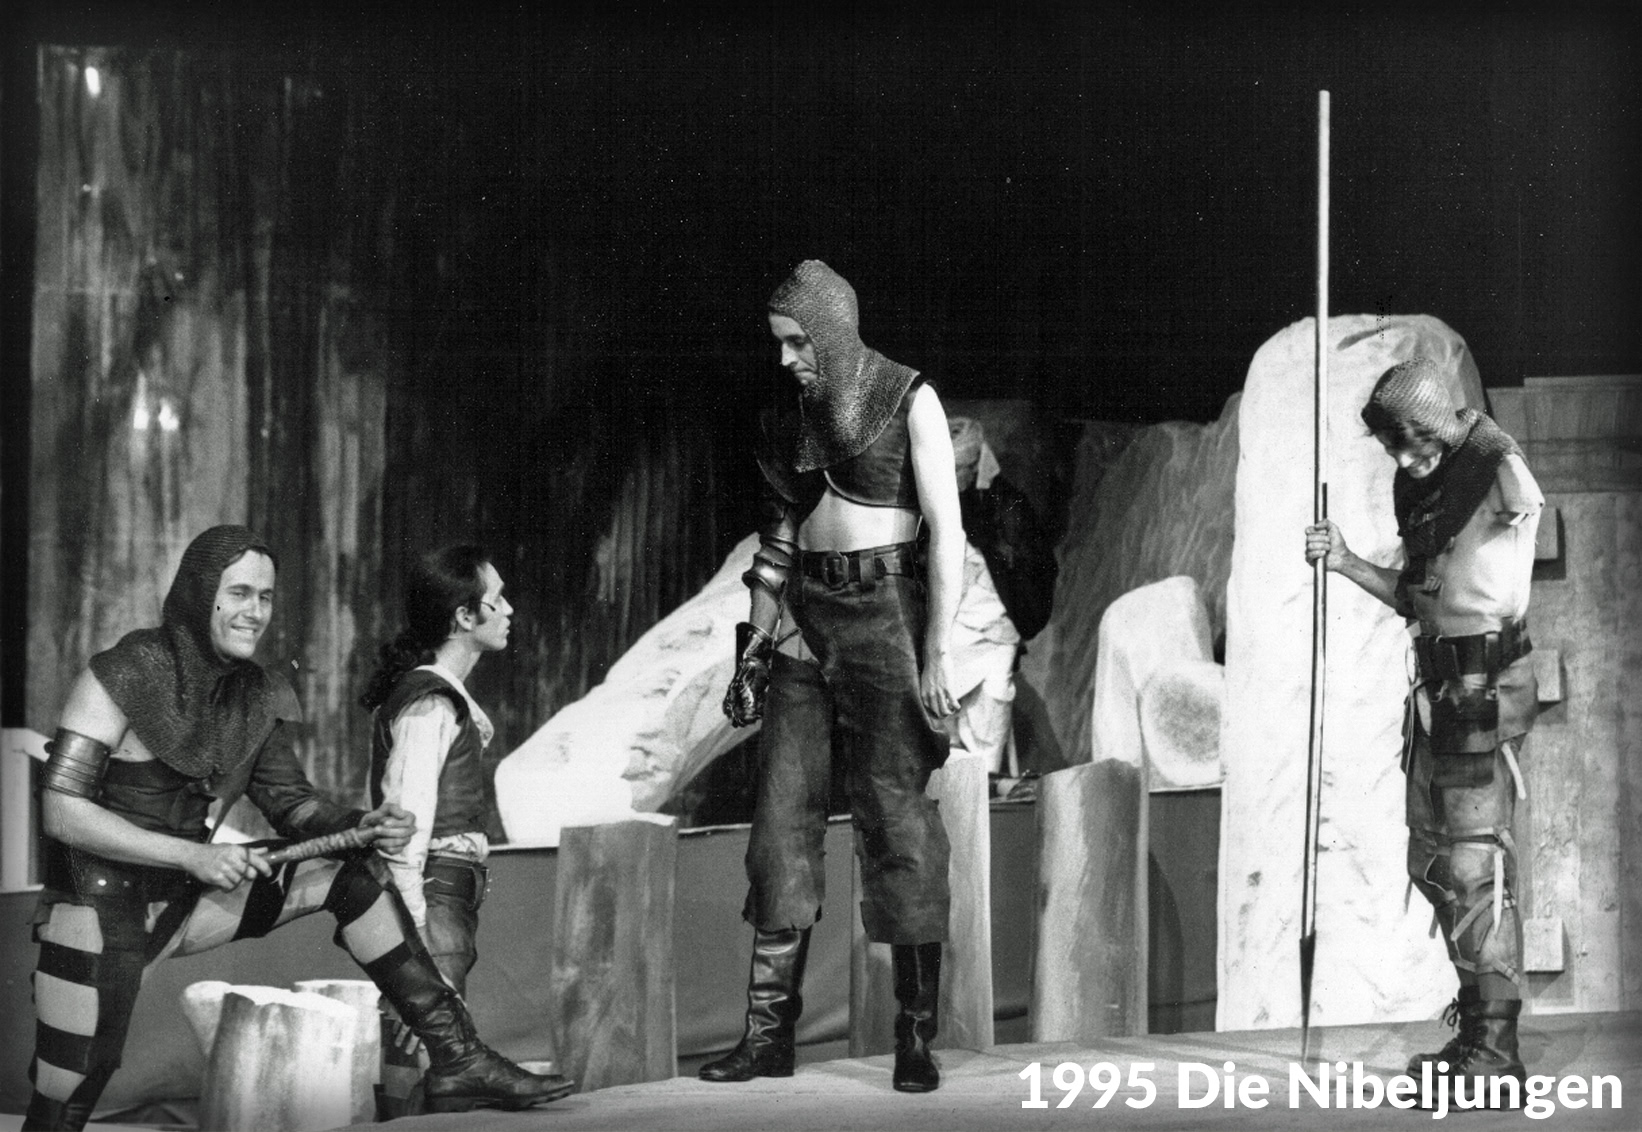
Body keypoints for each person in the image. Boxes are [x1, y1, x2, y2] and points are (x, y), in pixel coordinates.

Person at [24, 525, 571, 1131]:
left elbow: (295, 807)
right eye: (238, 593)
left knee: (350, 876)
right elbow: (62, 811)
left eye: (265, 597)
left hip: (183, 899)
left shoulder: (255, 696)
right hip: (95, 906)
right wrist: (191, 855)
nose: (254, 611)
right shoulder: (122, 672)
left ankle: (457, 1055)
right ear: (199, 594)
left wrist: (365, 825)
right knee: (69, 1088)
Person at [706, 259, 963, 1093]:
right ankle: (767, 1038)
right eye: (779, 344)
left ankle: (915, 1039)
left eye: (796, 343)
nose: (785, 359)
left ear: (830, 330)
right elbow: (777, 543)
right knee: (781, 821)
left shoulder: (909, 398)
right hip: (805, 626)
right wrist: (754, 646)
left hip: (885, 616)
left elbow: (948, 532)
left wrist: (938, 650)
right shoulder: (788, 418)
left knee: (897, 820)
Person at [1305, 356, 1543, 1104]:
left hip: (1480, 689)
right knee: (1433, 860)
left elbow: (1497, 558)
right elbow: (1419, 595)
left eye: (1414, 442)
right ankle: (1476, 1031)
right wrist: (1345, 561)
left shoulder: (1495, 471)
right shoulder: (1430, 490)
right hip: (1437, 693)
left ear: (1438, 425)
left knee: (1473, 866)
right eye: (1393, 448)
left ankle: (1496, 1055)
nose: (1404, 461)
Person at [359, 545, 511, 997]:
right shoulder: (430, 703)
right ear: (464, 617)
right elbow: (404, 821)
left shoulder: (440, 697)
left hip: (447, 894)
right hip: (431, 895)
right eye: (497, 599)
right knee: (432, 1024)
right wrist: (414, 927)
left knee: (430, 1024)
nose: (508, 609)